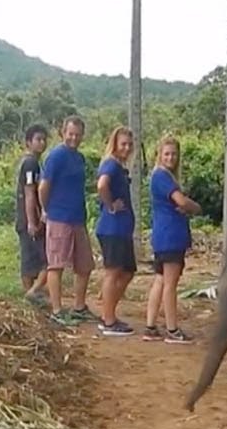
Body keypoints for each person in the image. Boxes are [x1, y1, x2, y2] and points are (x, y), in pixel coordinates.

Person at [38, 115, 98, 326]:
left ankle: (79, 307)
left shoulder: (79, 158)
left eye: (78, 135)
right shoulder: (56, 156)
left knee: (84, 265)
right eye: (70, 134)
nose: (74, 138)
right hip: (59, 217)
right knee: (57, 265)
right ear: (63, 132)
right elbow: (43, 187)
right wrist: (46, 210)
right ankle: (57, 310)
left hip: (77, 218)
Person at [143, 133, 202, 344]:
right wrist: (195, 207)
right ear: (159, 155)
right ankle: (172, 329)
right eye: (167, 154)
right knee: (170, 283)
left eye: (174, 154)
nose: (171, 158)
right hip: (170, 236)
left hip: (163, 236)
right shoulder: (163, 177)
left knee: (160, 280)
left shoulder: (160, 176)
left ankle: (150, 326)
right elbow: (181, 201)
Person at [93, 125, 136, 336]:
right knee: (113, 272)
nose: (126, 148)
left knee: (127, 271)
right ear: (115, 145)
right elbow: (102, 185)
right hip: (113, 228)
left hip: (121, 229)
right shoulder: (110, 164)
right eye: (123, 144)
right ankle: (108, 320)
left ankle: (108, 313)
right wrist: (110, 205)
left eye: (129, 144)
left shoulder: (119, 166)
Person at [14, 124, 50, 307]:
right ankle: (31, 294)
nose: (42, 143)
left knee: (33, 259)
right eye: (38, 139)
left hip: (29, 217)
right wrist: (32, 221)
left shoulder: (34, 162)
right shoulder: (30, 164)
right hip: (29, 218)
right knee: (39, 260)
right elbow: (29, 193)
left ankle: (32, 295)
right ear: (28, 142)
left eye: (44, 139)